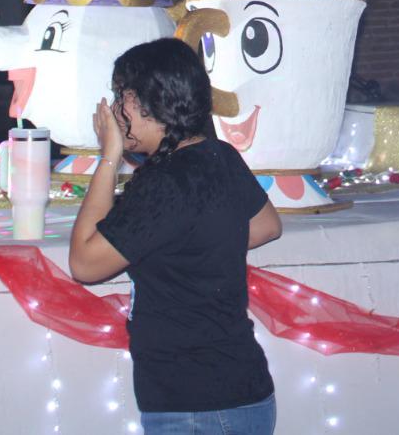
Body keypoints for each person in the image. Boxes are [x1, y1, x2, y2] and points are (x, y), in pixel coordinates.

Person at [68, 38, 282, 434]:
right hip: (242, 391)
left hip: (196, 404)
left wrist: (109, 156)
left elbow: (84, 262)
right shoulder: (219, 155)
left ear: (150, 101)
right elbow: (266, 224)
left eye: (122, 96)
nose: (114, 110)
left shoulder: (164, 183)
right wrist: (188, 242)